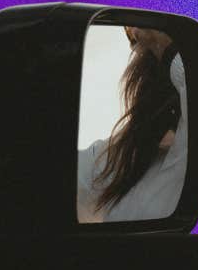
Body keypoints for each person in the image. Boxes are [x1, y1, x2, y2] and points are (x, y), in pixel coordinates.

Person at [76, 26, 188, 223]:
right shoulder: (121, 156)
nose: (136, 40)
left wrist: (163, 46)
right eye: (131, 35)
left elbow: (197, 86)